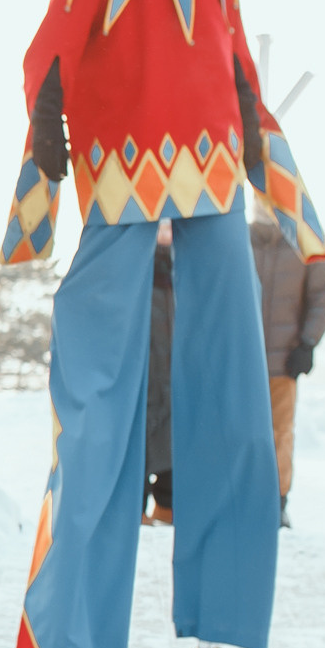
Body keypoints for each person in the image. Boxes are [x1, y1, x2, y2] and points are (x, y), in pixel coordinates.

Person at [0, 0, 325, 648]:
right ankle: (74, 629)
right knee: (96, 401)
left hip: (214, 168)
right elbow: (54, 42)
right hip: (122, 168)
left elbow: (233, 55)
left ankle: (220, 615)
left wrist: (265, 154)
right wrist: (46, 138)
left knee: (233, 396)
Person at [250, 196, 325, 526]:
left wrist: (307, 343)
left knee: (279, 433)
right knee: (241, 432)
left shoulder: (303, 242)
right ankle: (242, 497)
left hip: (283, 362)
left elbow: (321, 298)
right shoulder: (240, 240)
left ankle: (276, 502)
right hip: (243, 362)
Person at [145, 221, 175, 525]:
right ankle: (137, 506)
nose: (165, 235)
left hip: (174, 369)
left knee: (173, 437)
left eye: (169, 228)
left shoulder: (184, 268)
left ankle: (167, 505)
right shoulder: (138, 268)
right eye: (160, 228)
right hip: (146, 368)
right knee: (141, 438)